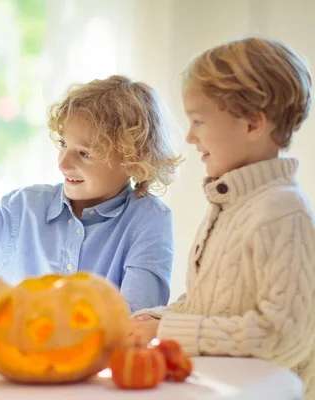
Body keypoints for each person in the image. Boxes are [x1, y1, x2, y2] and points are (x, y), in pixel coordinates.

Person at [0, 74, 183, 313]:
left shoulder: (148, 220)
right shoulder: (23, 208)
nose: (63, 163)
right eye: (64, 145)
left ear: (132, 160)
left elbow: (137, 318)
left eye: (84, 153)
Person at [130, 37, 315, 397]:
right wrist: (158, 318)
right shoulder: (229, 205)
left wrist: (166, 333)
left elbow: (284, 334)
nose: (189, 135)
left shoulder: (283, 213)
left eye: (199, 120)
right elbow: (213, 305)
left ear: (252, 124)